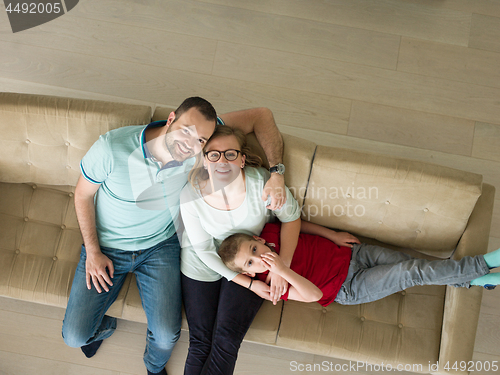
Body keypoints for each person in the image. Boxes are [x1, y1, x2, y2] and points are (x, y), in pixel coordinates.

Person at [61, 97, 286, 375]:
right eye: (185, 130)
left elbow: (262, 113)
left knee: (168, 335)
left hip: (159, 247)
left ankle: (153, 368)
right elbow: (82, 195)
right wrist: (93, 251)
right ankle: (103, 326)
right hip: (106, 247)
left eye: (201, 140)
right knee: (74, 337)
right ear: (170, 119)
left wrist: (276, 173)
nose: (190, 143)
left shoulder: (200, 147)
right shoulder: (111, 147)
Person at [179, 126, 301, 375]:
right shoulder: (189, 196)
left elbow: (291, 218)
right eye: (214, 154)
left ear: (242, 159)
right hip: (203, 262)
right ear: (204, 160)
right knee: (201, 342)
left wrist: (281, 267)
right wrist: (248, 285)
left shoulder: (263, 185)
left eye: (230, 154)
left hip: (249, 259)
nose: (222, 161)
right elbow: (203, 250)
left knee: (226, 341)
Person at [218, 221, 500, 307]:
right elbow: (315, 295)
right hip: (348, 287)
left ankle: (472, 280)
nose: (259, 258)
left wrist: (334, 235)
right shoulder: (272, 284)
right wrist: (281, 270)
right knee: (411, 271)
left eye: (254, 249)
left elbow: (300, 224)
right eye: (251, 263)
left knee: (415, 265)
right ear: (248, 272)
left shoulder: (271, 233)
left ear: (258, 238)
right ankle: (486, 262)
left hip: (354, 254)